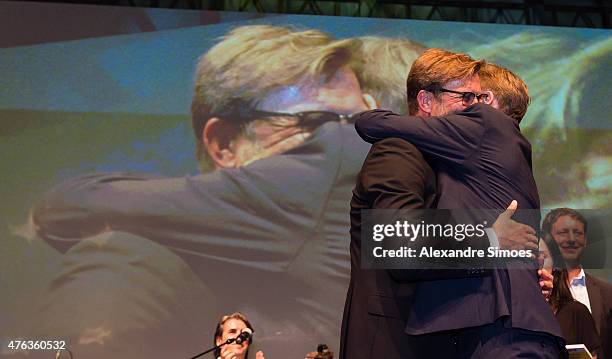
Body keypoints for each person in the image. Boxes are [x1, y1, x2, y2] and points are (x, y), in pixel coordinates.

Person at [23, 25, 378, 359]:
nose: (349, 145)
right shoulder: (140, 267)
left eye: (361, 123)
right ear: (224, 144)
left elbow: (64, 208)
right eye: (316, 125)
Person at [346, 49, 564, 358]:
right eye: (465, 98)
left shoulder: (454, 163)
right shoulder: (398, 152)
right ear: (425, 101)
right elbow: (399, 246)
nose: (475, 109)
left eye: (479, 99)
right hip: (395, 344)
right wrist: (491, 241)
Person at [543, 208, 612, 359]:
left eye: (578, 233)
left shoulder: (608, 293)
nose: (571, 239)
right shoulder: (535, 289)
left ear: (586, 239)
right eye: (563, 232)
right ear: (547, 238)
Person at [539, 237, 602, 358]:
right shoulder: (513, 311)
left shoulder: (577, 312)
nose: (535, 265)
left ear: (555, 265)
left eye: (542, 257)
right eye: (528, 258)